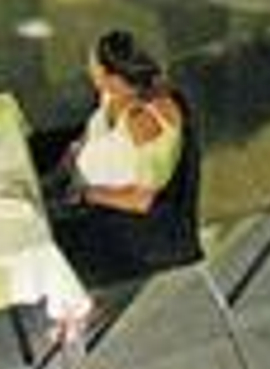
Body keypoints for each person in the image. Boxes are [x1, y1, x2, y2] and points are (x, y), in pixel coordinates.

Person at [35, 30, 192, 288]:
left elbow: (142, 200)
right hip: (72, 175)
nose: (88, 70)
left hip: (98, 202)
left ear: (113, 76)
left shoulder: (143, 122)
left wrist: (85, 195)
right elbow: (94, 132)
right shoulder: (115, 92)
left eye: (93, 66)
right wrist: (68, 162)